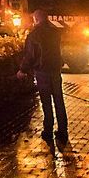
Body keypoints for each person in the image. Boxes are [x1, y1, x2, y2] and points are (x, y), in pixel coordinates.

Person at [17, 9, 68, 143]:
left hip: (42, 70)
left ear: (36, 19)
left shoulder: (34, 35)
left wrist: (22, 70)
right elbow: (59, 50)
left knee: (46, 101)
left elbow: (30, 55)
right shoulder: (56, 33)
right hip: (55, 69)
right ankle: (63, 131)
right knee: (59, 100)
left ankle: (48, 130)